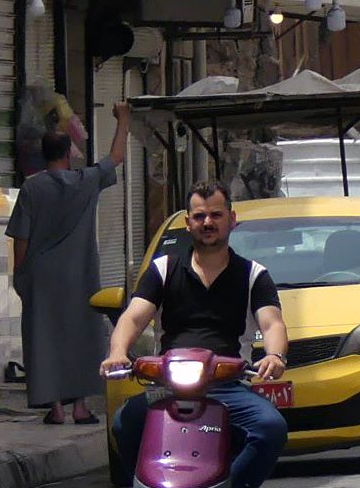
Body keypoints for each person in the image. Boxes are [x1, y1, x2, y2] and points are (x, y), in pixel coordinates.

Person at [104, 181, 292, 488]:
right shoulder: (162, 269)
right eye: (200, 216)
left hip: (228, 384)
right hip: (168, 386)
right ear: (187, 222)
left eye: (216, 215)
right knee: (125, 423)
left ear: (231, 220)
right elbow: (134, 317)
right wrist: (117, 352)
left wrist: (274, 355)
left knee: (271, 428)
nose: (208, 223)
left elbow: (272, 324)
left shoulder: (254, 275)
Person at [9, 102, 129, 423]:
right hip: (80, 275)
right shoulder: (85, 181)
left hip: (42, 276)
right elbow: (116, 157)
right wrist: (124, 120)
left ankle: (56, 408)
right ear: (68, 153)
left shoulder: (31, 188)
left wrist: (20, 276)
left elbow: (20, 238)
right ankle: (80, 406)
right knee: (82, 337)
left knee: (44, 339)